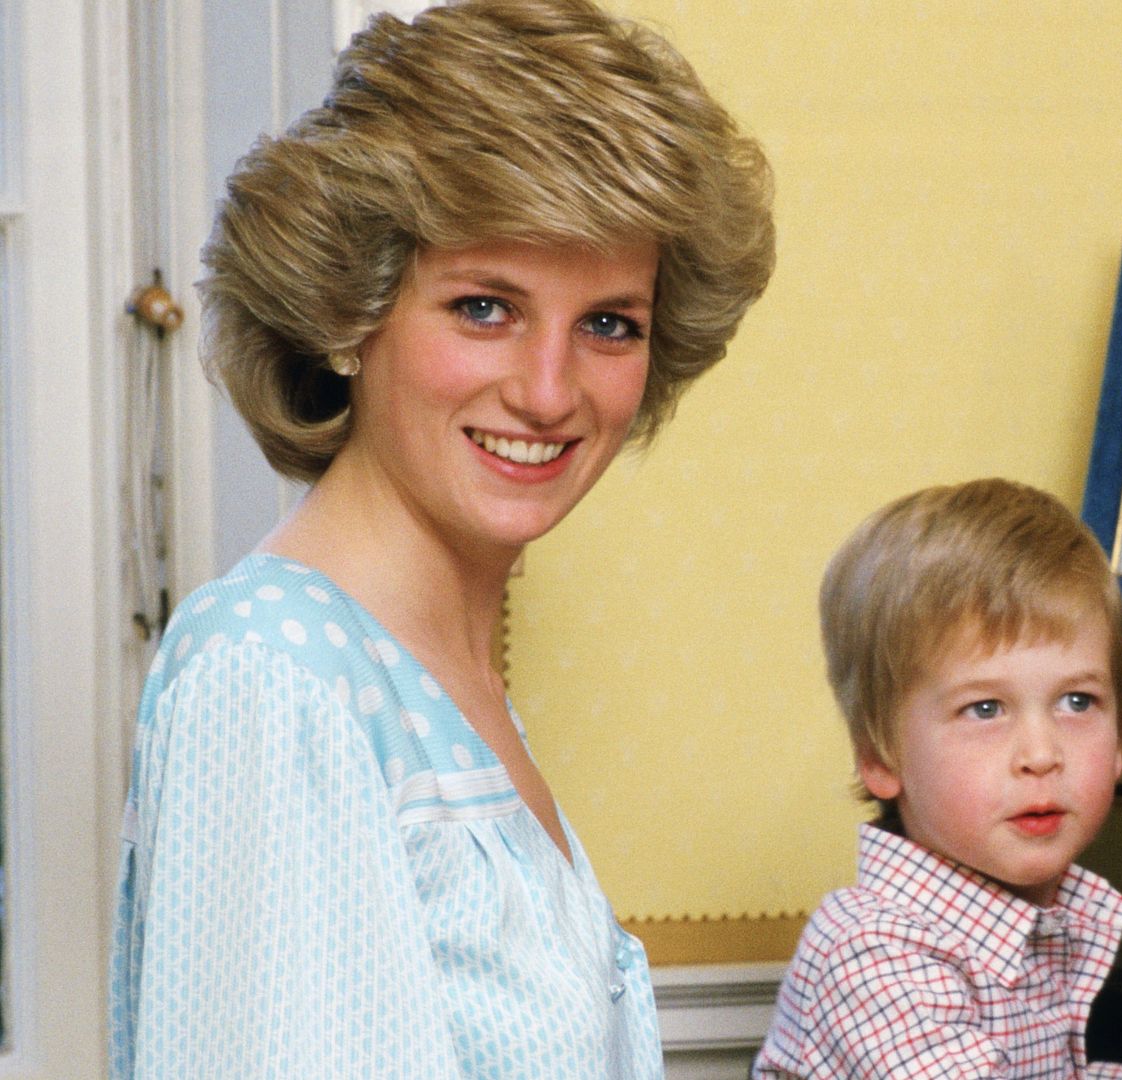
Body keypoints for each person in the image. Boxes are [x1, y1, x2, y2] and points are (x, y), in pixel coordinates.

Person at [109, 2, 775, 1077]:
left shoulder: (434, 672)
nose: (550, 390)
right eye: (484, 307)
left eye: (609, 323)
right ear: (347, 309)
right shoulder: (273, 674)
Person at [754, 479, 1122, 1079]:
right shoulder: (870, 950)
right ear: (880, 758)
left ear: (1120, 741)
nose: (1041, 754)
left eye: (1078, 702)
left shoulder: (1039, 924)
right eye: (985, 709)